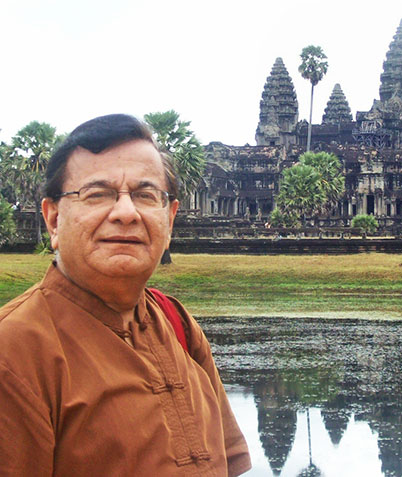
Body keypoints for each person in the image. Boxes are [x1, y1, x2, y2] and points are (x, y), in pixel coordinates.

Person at [0, 114, 251, 476]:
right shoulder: (15, 351)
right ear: (53, 219)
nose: (125, 212)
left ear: (170, 220)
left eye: (145, 195)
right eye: (97, 194)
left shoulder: (177, 324)